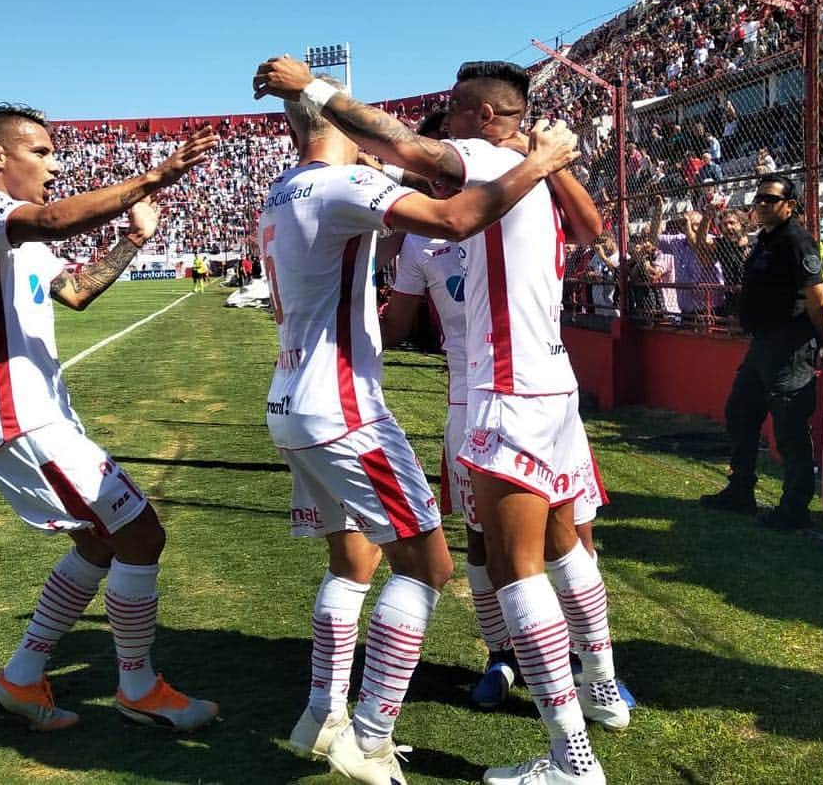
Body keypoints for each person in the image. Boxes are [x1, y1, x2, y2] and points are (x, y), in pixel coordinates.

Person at [255, 56, 618, 785]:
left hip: (485, 393)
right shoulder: (524, 169)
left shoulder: (289, 188)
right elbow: (588, 228)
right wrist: (548, 159)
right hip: (543, 385)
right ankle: (598, 692)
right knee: (545, 545)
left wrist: (315, 88)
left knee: (499, 567)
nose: (437, 120)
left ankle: (567, 757)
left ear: (484, 117)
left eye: (453, 108)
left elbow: (411, 155)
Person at [0, 103, 220, 732]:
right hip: (19, 418)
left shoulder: (20, 237)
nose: (54, 164)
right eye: (40, 152)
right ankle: (138, 687)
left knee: (97, 541)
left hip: (39, 415)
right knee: (142, 535)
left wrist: (134, 240)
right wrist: (154, 176)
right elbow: (56, 219)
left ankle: (21, 678)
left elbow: (79, 291)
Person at [700, 174, 823, 529]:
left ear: (790, 205)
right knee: (740, 413)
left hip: (790, 343)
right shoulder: (765, 240)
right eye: (758, 199)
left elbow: (818, 298)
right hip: (762, 344)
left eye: (770, 200)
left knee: (788, 427)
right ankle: (741, 490)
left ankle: (795, 508)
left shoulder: (797, 241)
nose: (761, 204)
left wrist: (822, 339)